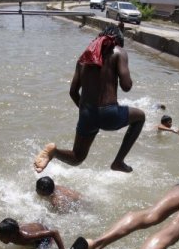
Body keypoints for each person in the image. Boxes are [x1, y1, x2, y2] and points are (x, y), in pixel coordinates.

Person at [34, 25, 146, 173]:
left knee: (77, 158)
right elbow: (126, 86)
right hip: (109, 113)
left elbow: (73, 92)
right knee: (140, 117)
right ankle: (118, 161)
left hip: (87, 114)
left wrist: (87, 113)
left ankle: (53, 152)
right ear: (117, 40)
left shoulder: (84, 58)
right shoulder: (119, 52)